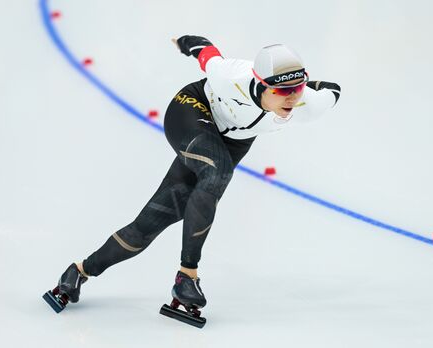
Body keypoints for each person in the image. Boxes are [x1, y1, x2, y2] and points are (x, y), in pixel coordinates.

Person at [43, 35, 341, 324]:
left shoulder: (305, 105)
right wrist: (185, 41)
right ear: (259, 83)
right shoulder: (231, 75)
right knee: (217, 172)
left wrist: (310, 87)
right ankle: (188, 276)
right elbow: (205, 52)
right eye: (281, 91)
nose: (291, 99)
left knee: (149, 223)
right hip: (193, 109)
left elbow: (333, 90)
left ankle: (79, 271)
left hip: (233, 142)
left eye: (297, 89)